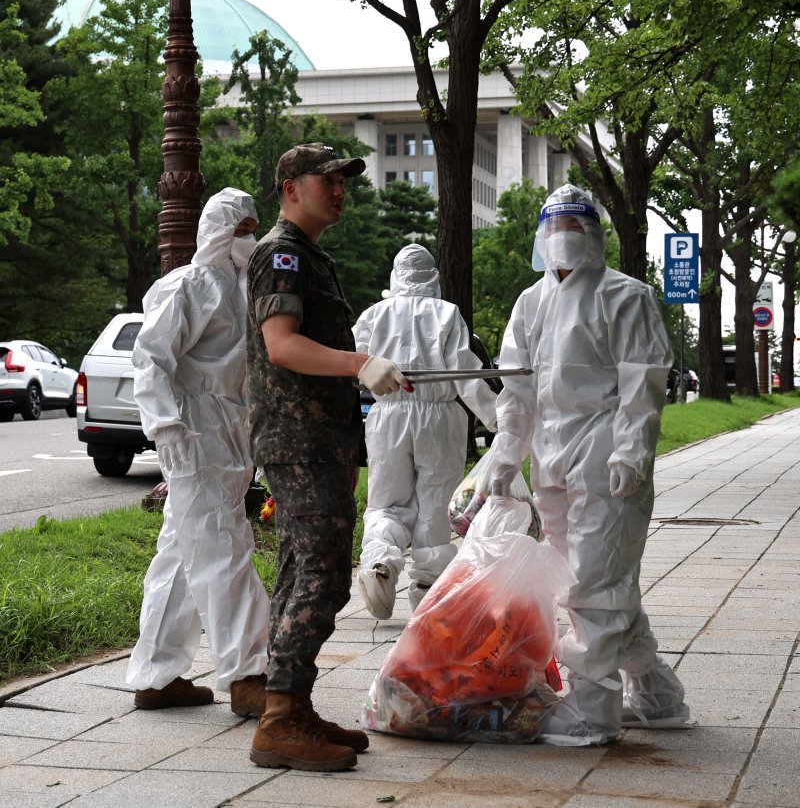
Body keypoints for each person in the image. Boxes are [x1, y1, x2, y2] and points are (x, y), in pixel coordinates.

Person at [490, 184, 690, 746]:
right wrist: (507, 454)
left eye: (575, 228)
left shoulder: (626, 295)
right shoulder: (531, 302)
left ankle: (591, 708)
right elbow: (517, 389)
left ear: (595, 235)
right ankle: (656, 695)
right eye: (555, 229)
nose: (564, 240)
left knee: (593, 583)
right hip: (552, 452)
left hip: (603, 448)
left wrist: (632, 449)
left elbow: (642, 382)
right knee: (588, 579)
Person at [246, 142, 411, 773]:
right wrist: (359, 364)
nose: (340, 189)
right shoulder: (281, 253)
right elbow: (282, 346)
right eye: (328, 179)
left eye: (344, 180)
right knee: (323, 576)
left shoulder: (308, 254)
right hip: (300, 442)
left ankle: (292, 708)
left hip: (319, 441)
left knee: (301, 574)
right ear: (290, 186)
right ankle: (280, 721)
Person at [126, 187, 272, 719]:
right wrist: (165, 427)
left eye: (254, 227)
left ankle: (156, 675)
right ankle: (251, 673)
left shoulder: (241, 287)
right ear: (218, 230)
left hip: (226, 431)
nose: (250, 237)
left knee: (183, 554)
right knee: (224, 547)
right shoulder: (189, 284)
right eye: (242, 228)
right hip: (195, 433)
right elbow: (151, 359)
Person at [353, 243, 498, 618]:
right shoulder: (447, 314)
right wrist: (499, 419)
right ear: (433, 277)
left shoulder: (374, 315)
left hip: (388, 416)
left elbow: (350, 362)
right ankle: (428, 592)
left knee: (387, 502)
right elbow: (465, 374)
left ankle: (379, 564)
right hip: (440, 418)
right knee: (435, 505)